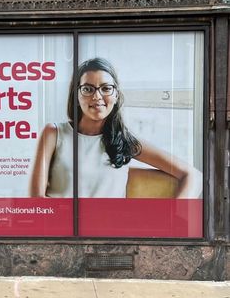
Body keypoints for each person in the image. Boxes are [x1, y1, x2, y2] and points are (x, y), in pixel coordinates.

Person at [29, 57, 202, 198]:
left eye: (106, 88)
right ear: (76, 94)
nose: (97, 96)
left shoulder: (124, 141)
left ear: (116, 94)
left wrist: (177, 218)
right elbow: (35, 201)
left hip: (108, 236)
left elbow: (193, 176)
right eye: (88, 89)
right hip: (60, 234)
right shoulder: (53, 133)